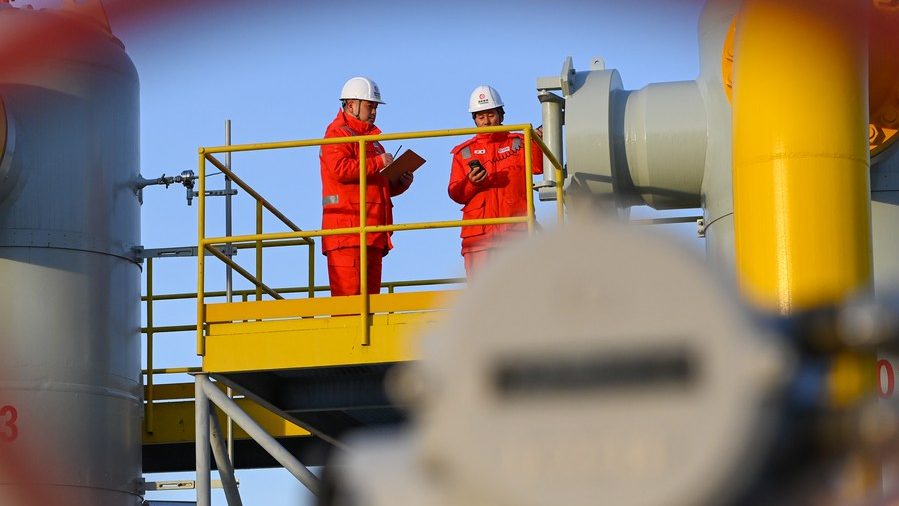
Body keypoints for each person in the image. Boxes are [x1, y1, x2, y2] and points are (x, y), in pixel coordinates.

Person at [320, 76, 413, 296]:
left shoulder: (373, 142)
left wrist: (400, 182)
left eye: (375, 107)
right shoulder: (337, 134)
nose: (373, 112)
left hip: (372, 233)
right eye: (369, 106)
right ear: (351, 105)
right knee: (349, 306)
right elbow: (340, 169)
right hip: (346, 232)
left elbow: (377, 185)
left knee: (369, 306)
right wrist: (379, 162)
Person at [448, 85, 544, 278]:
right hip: (479, 240)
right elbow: (455, 193)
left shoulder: (521, 142)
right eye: (481, 117)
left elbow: (538, 168)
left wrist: (536, 143)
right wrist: (471, 183)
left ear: (501, 115)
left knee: (521, 292)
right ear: (474, 119)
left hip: (517, 235)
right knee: (483, 298)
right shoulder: (463, 152)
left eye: (490, 115)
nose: (486, 121)